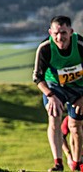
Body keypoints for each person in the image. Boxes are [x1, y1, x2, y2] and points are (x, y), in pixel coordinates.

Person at [34, 16, 83, 171]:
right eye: (55, 33)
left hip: (79, 88)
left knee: (75, 127)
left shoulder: (81, 45)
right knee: (54, 116)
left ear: (71, 32)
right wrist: (50, 96)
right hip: (54, 86)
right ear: (50, 32)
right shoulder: (45, 48)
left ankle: (76, 162)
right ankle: (58, 163)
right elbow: (37, 77)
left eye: (63, 33)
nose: (59, 37)